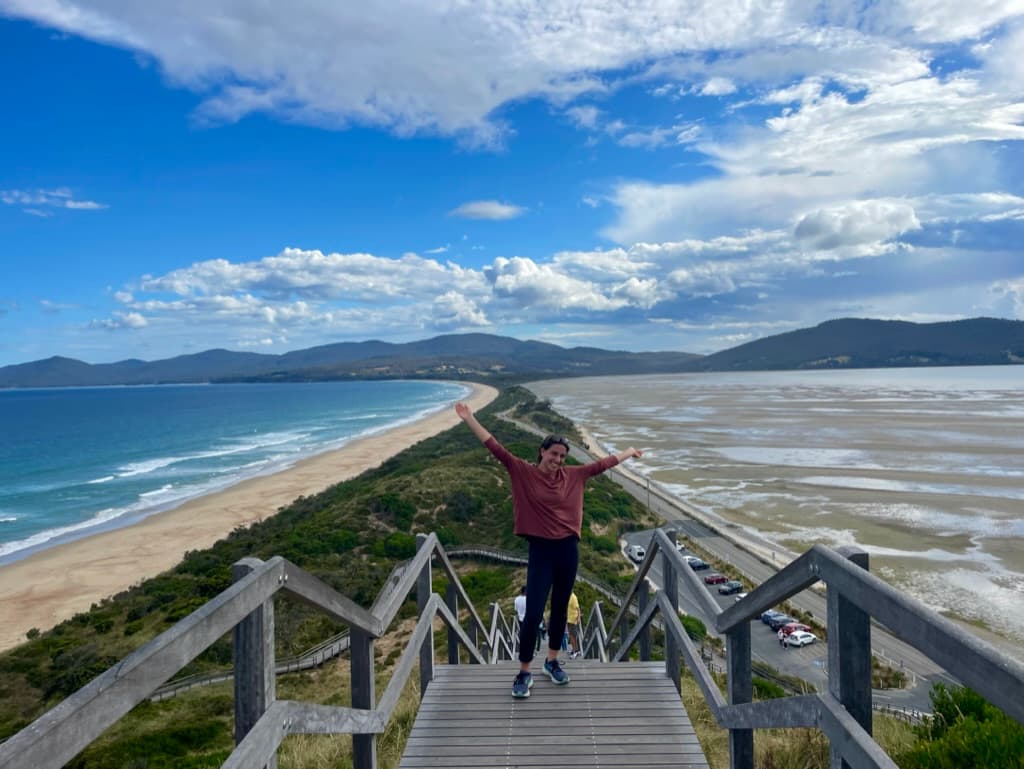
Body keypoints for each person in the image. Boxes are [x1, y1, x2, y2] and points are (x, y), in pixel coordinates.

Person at [455, 402, 642, 699]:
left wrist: (629, 452)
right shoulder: (522, 472)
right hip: (540, 551)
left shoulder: (575, 476)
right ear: (542, 451)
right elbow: (495, 446)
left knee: (559, 610)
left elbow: (602, 464)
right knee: (533, 614)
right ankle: (524, 670)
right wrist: (469, 418)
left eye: (562, 456)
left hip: (568, 549)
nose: (558, 459)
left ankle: (552, 661)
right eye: (553, 453)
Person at [566, 590, 582, 659]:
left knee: (573, 636)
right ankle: (575, 650)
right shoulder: (569, 597)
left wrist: (578, 618)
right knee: (571, 636)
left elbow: (578, 609)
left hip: (573, 620)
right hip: (569, 619)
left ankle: (575, 651)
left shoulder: (573, 597)